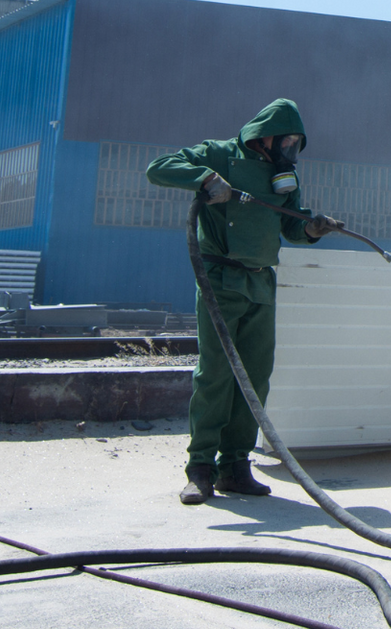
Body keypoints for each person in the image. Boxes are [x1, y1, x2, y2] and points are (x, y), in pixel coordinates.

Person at [146, 98, 339, 504]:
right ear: (262, 133)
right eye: (283, 140)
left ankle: (235, 466)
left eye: (294, 143)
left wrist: (314, 229)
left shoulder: (281, 175)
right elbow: (158, 169)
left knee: (254, 377)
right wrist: (204, 179)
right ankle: (200, 468)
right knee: (215, 374)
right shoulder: (218, 153)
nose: (288, 150)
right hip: (220, 279)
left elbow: (292, 226)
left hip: (261, 282)